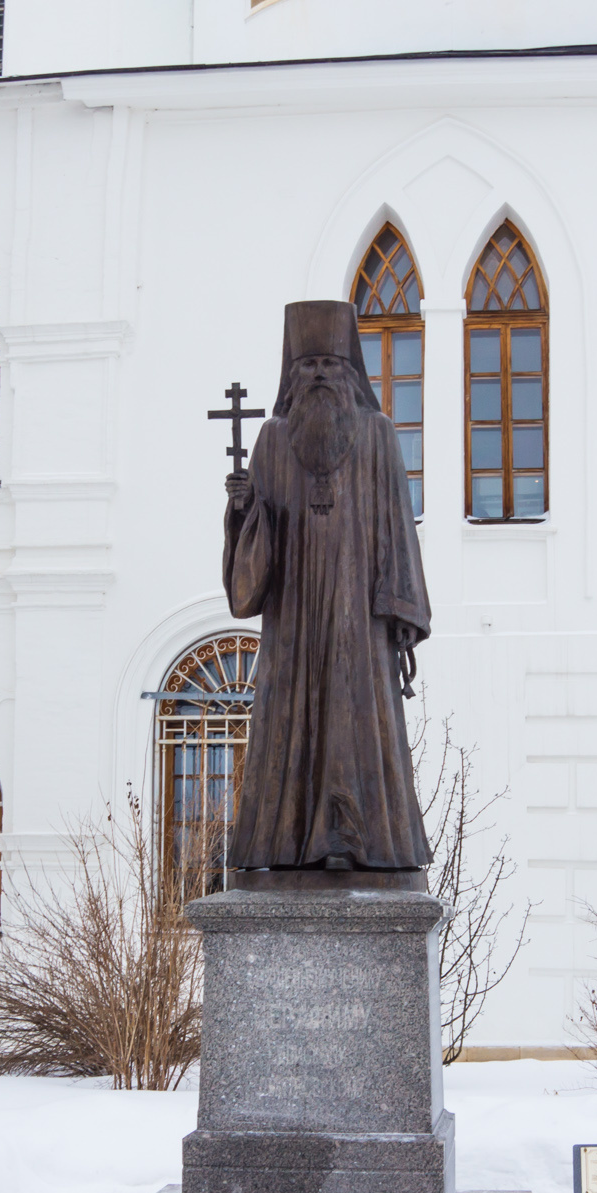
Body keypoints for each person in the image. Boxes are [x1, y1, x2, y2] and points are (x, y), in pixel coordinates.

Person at [219, 300, 433, 872]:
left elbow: (396, 524)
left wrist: (403, 615)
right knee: (285, 717)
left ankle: (365, 840)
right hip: (292, 616)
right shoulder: (270, 441)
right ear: (291, 373)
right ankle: (282, 841)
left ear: (350, 372)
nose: (317, 373)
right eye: (307, 362)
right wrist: (242, 512)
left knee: (358, 718)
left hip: (359, 618)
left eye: (329, 363)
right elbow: (254, 555)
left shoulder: (378, 436)